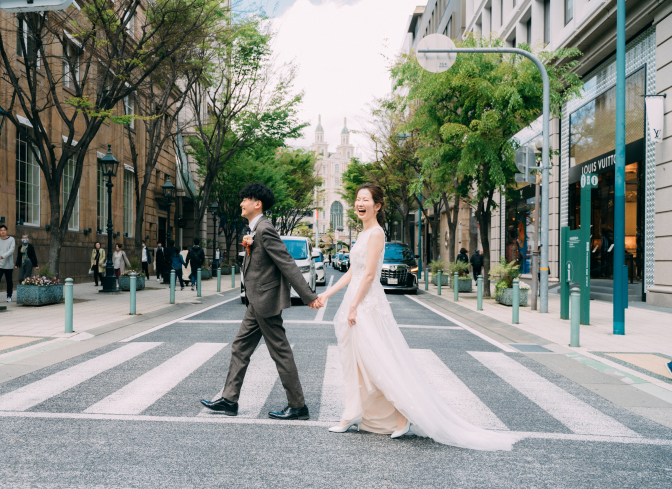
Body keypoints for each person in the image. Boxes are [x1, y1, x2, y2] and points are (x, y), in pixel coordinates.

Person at [316, 184, 519, 451]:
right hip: (356, 301)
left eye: (365, 200)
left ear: (378, 206)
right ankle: (355, 411)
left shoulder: (376, 233)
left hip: (367, 305)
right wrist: (328, 294)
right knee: (356, 362)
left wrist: (353, 306)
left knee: (379, 361)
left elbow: (368, 276)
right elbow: (353, 272)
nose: (359, 203)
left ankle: (402, 415)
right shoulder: (363, 234)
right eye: (357, 199)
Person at [201, 183, 322, 420]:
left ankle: (298, 406)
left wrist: (308, 296)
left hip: (265, 301)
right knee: (240, 347)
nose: (241, 203)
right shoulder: (254, 229)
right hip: (256, 301)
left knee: (280, 351)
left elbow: (286, 262)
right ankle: (229, 399)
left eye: (245, 199)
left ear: (258, 204)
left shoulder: (264, 229)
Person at [0, 225, 15, 302]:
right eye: (1, 230)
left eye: (4, 230)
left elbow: (11, 250)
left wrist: (4, 256)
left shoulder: (11, 239)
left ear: (6, 231)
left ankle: (9, 295)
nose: (3, 231)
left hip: (8, 264)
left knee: (9, 281)